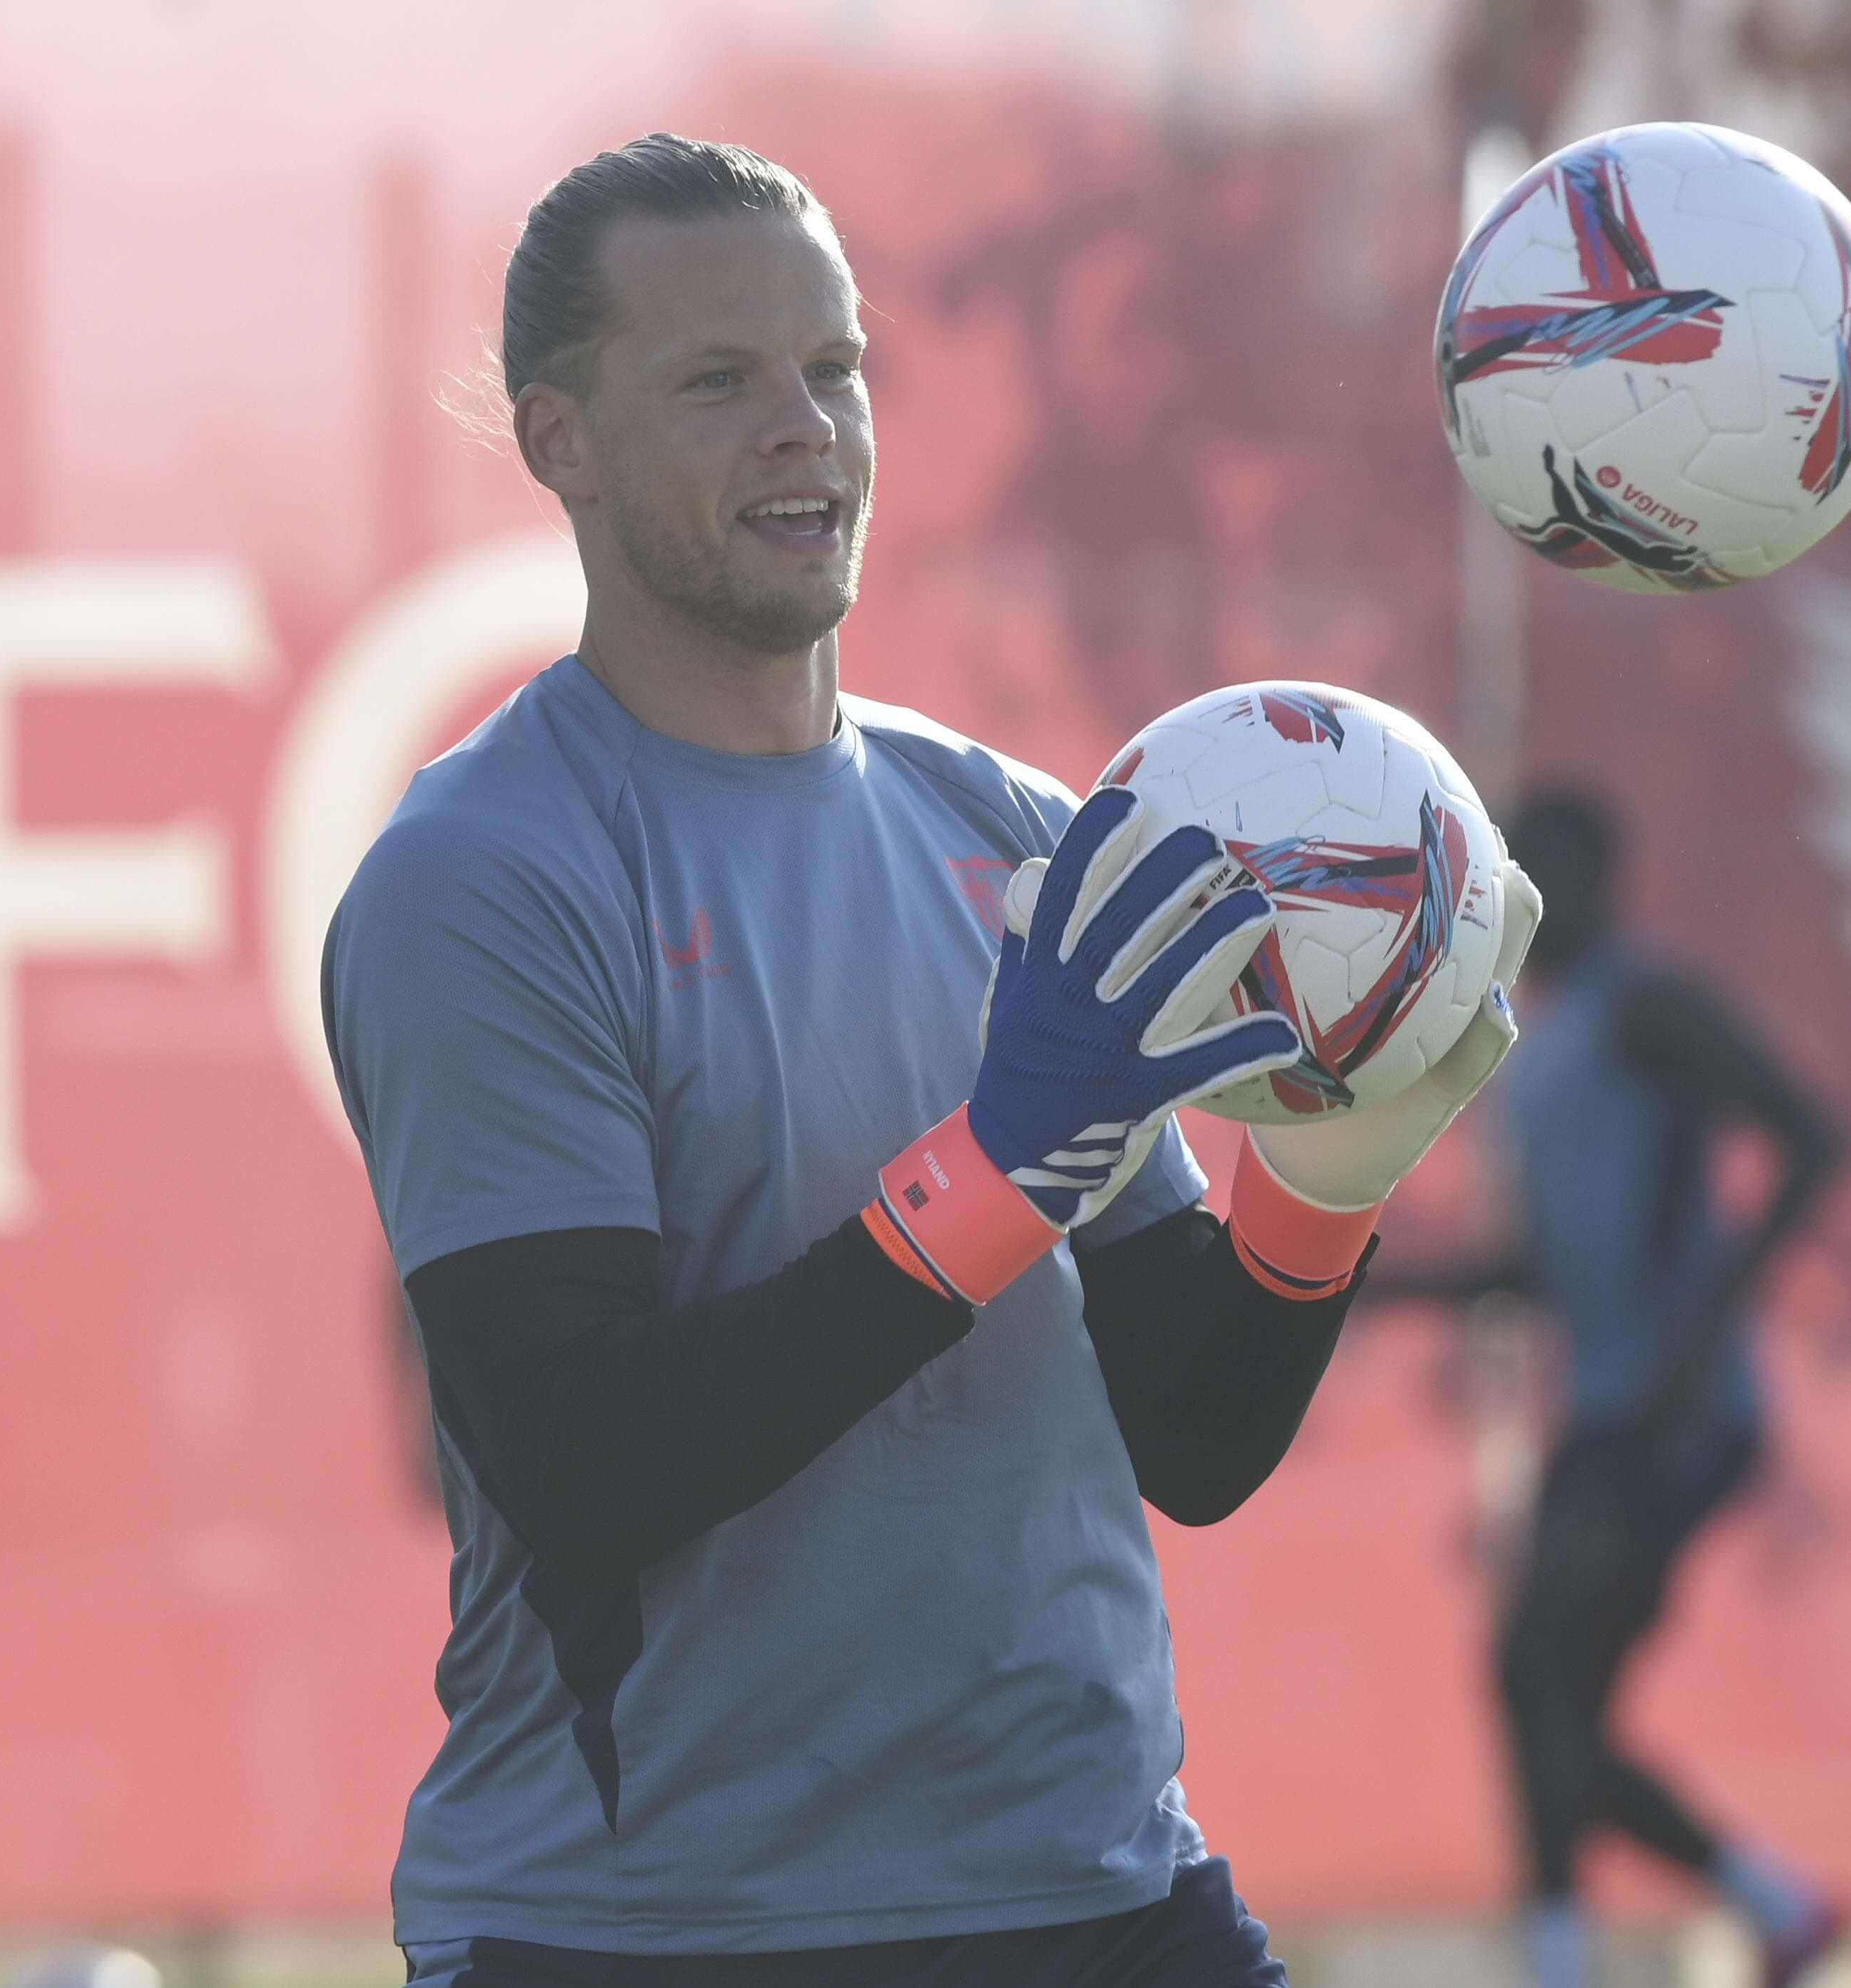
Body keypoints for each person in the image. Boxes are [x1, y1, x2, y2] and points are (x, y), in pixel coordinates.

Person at [320, 135, 1538, 1987]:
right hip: (650, 1933)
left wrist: (1334, 1175)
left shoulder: (1030, 832)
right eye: (717, 380)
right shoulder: (483, 876)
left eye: (835, 365)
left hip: (1097, 1890)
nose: (804, 426)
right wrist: (995, 1169)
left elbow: (1189, 1436)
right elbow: (582, 1462)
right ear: (556, 438)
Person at [1377, 786, 1846, 1988]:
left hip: (1671, 1422)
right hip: (1607, 1413)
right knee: (1547, 1700)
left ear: (1599, 870)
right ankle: (1769, 1906)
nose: (1537, 892)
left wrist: (1699, 1342)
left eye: (1553, 864)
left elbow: (1813, 1137)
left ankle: (1602, 1946)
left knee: (1536, 1679)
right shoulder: (1548, 1047)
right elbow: (1548, 1267)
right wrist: (1365, 1285)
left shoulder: (1651, 1007)